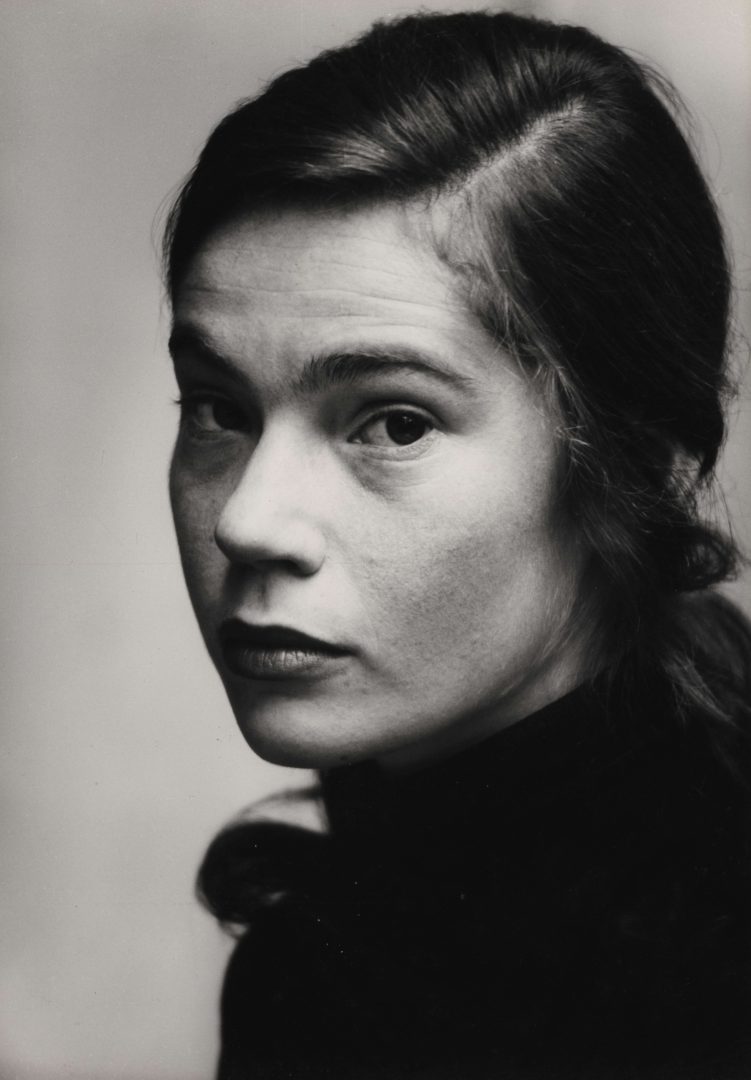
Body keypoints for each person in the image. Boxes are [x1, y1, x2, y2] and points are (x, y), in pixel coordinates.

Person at [163, 10, 751, 1078]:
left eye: (393, 423)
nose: (246, 519)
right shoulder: (330, 957)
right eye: (218, 408)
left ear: (627, 459)